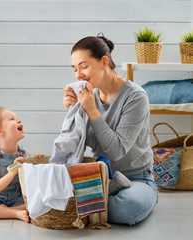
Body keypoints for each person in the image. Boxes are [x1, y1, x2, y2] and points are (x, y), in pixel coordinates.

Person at [62, 34, 158, 225]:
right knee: (55, 190)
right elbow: (92, 142)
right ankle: (95, 203)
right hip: (100, 176)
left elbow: (116, 151)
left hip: (136, 178)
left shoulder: (136, 96)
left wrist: (91, 110)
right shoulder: (89, 95)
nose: (78, 75)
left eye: (84, 66)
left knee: (128, 207)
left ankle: (90, 205)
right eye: (75, 69)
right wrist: (74, 113)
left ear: (104, 62)